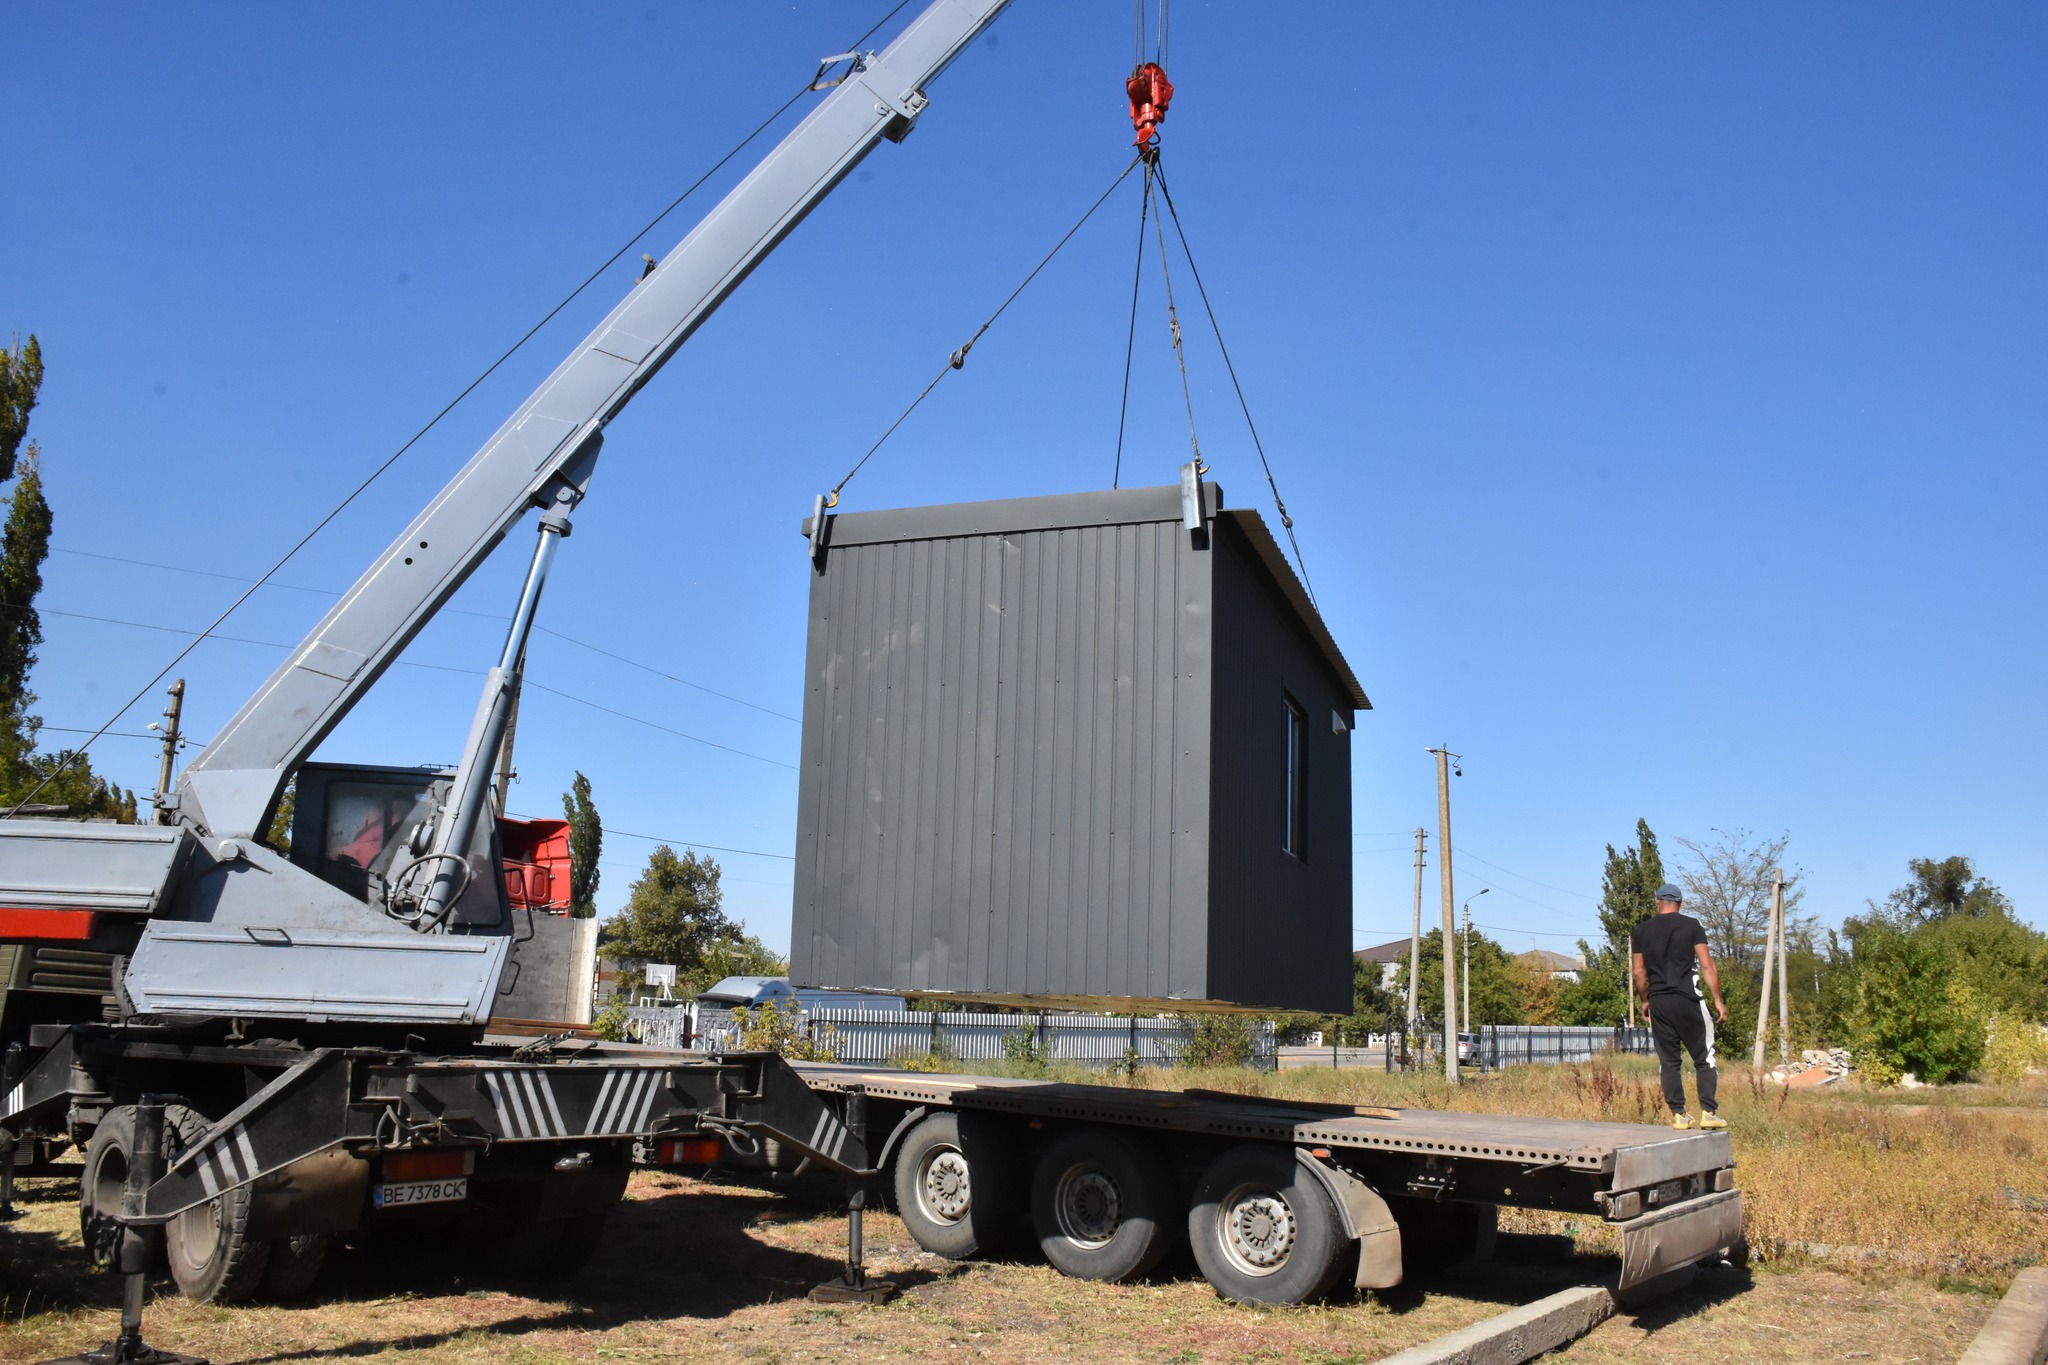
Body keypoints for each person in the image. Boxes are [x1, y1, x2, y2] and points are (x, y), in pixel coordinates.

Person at [1631, 883, 1729, 1130]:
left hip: (1660, 1003)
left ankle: (1679, 1115)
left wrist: (1645, 1000)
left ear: (1657, 901)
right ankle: (1708, 1112)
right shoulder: (1692, 925)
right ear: (1681, 904)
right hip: (1689, 1000)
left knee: (1669, 1061)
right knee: (1704, 1058)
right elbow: (1707, 966)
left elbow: (1638, 972)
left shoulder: (1640, 931)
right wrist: (1717, 1000)